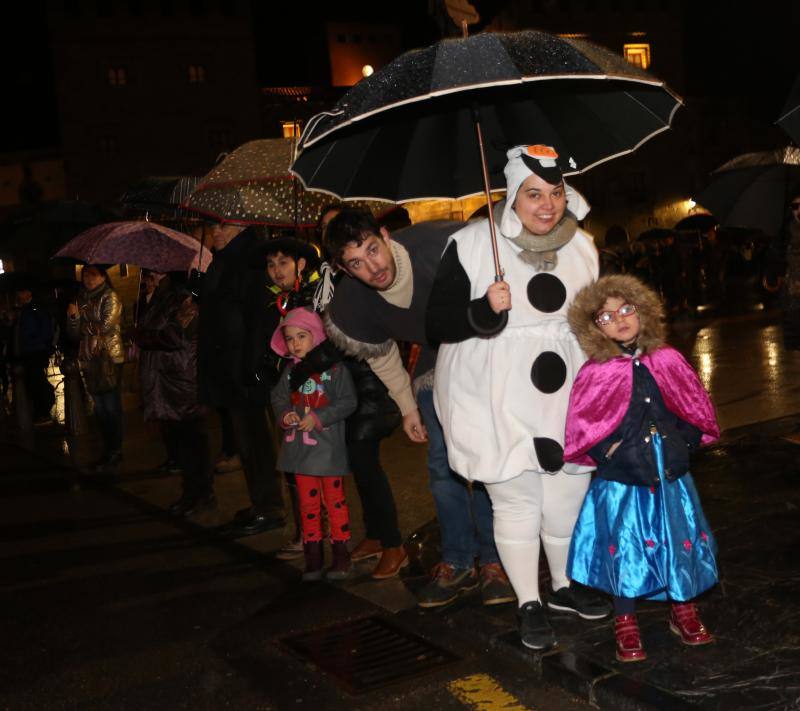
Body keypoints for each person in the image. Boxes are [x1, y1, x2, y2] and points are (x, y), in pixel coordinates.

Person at [428, 145, 612, 650]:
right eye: (533, 194)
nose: (547, 205)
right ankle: (528, 599)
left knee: (567, 496)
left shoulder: (584, 247)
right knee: (516, 499)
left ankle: (563, 586)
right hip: (495, 390)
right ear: (513, 195)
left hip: (568, 388)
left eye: (555, 193)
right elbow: (437, 323)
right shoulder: (470, 243)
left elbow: (595, 315)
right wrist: (484, 309)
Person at [324, 208, 512, 606]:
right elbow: (381, 353)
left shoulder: (444, 245)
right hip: (434, 359)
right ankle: (458, 560)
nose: (372, 267)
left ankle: (495, 562)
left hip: (485, 347)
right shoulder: (354, 299)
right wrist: (408, 407)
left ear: (386, 235)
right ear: (343, 268)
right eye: (356, 263)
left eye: (373, 249)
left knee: (486, 461)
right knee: (443, 466)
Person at [564, 274, 720, 663]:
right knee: (624, 548)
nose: (620, 320)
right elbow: (583, 424)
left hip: (670, 474)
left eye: (626, 310)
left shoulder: (666, 359)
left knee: (678, 540)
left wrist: (685, 442)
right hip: (622, 480)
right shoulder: (595, 372)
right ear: (593, 327)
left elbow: (691, 405)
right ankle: (625, 618)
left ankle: (682, 606)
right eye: (606, 317)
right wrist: (608, 451)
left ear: (643, 312)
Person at [292, 205, 407, 579]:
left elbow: (343, 341)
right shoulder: (330, 278)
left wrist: (307, 363)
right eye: (328, 230)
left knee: (367, 467)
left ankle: (394, 545)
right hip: (344, 388)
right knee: (359, 466)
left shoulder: (359, 283)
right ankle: (375, 535)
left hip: (368, 385)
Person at [197, 221, 284, 536]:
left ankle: (269, 508)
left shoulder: (247, 260)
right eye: (213, 226)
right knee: (247, 443)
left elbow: (258, 318)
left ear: (242, 226)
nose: (215, 232)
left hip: (244, 370)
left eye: (223, 225)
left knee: (256, 442)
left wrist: (251, 366)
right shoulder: (227, 260)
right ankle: (262, 502)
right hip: (232, 368)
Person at [270, 307, 357, 581]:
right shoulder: (289, 372)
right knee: (307, 506)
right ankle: (313, 560)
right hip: (301, 453)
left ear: (317, 336)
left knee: (335, 503)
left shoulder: (334, 370)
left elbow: (348, 401)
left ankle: (342, 557)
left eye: (301, 336)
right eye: (290, 338)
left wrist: (318, 417)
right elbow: (278, 399)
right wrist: (286, 414)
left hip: (328, 452)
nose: (295, 344)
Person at [132, 271, 214, 517]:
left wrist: (140, 336)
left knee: (193, 443)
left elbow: (175, 335)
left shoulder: (184, 298)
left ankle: (201, 495)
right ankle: (192, 493)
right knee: (182, 443)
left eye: (154, 272)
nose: (149, 276)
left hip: (182, 381)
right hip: (167, 380)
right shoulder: (160, 298)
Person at [261, 236, 323, 560]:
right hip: (287, 390)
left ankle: (315, 534)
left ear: (300, 264)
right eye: (271, 265)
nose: (276, 271)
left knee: (312, 464)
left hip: (313, 391)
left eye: (283, 262)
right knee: (294, 464)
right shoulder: (277, 301)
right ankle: (307, 531)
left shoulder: (314, 297)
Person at [67, 265, 125, 471]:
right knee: (99, 408)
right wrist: (73, 318)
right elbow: (73, 335)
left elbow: (106, 326)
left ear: (102, 276)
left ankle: (115, 450)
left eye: (93, 275)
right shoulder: (81, 299)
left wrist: (81, 321)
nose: (88, 279)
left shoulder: (110, 296)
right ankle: (108, 449)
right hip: (89, 358)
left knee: (110, 407)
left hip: (108, 357)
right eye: (85, 275)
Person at [10, 285, 55, 423]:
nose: (19, 294)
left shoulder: (35, 308)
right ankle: (39, 410)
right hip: (27, 351)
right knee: (33, 381)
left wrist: (38, 342)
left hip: (36, 351)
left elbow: (45, 329)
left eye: (21, 291)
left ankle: (44, 410)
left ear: (29, 293)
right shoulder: (23, 310)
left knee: (37, 381)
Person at [763, 189, 800, 350]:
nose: (799, 210)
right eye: (795, 206)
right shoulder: (783, 236)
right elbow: (773, 271)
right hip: (793, 302)